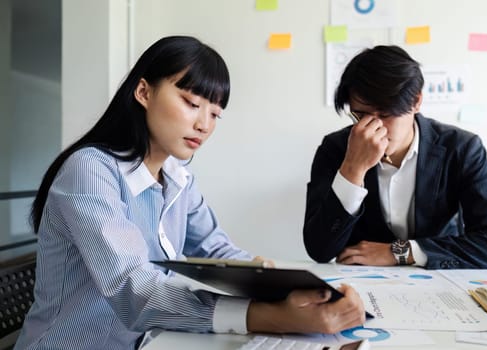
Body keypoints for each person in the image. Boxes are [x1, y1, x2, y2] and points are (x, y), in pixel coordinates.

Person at [15, 36, 365, 350]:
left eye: (215, 113)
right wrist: (269, 316)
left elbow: (215, 248)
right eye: (191, 102)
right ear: (143, 92)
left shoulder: (177, 177)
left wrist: (276, 283)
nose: (204, 124)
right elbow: (134, 291)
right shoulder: (90, 170)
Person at [303, 45, 487, 269]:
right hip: (362, 286)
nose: (373, 127)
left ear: (416, 102)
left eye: (385, 114)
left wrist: (400, 252)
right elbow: (320, 250)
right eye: (361, 115)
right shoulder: (335, 149)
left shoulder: (461, 148)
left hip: (440, 284)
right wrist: (353, 170)